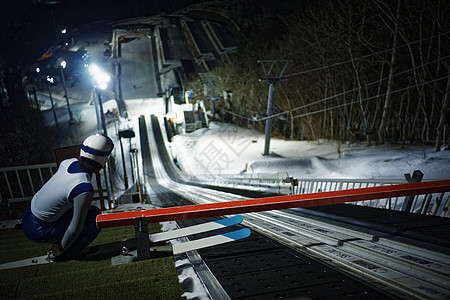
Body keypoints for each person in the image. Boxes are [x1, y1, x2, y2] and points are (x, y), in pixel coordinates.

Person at [22, 134, 114, 261]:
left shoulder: (68, 162)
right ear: (102, 162)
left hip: (28, 215)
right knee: (94, 218)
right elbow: (75, 228)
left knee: (88, 211)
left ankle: (61, 244)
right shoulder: (83, 188)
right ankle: (65, 254)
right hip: (39, 230)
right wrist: (62, 247)